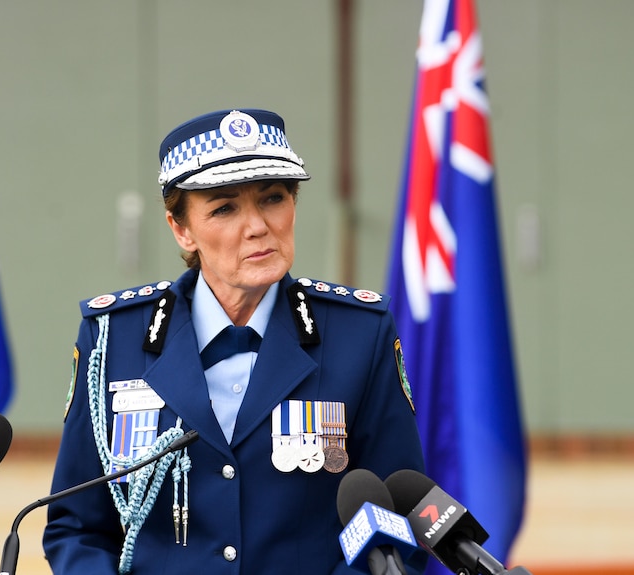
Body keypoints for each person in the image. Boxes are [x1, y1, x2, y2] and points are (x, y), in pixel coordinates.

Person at [43, 109, 425, 574]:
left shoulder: (359, 334)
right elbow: (78, 528)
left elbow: (393, 517)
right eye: (225, 208)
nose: (258, 226)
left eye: (273, 198)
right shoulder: (113, 338)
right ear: (181, 229)